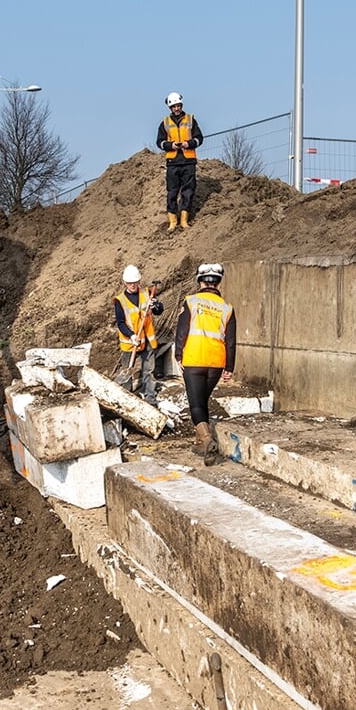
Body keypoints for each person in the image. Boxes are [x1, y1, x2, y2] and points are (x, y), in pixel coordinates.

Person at [175, 262, 235, 464]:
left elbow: (182, 330)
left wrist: (178, 354)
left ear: (200, 282)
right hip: (216, 363)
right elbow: (231, 340)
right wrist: (229, 367)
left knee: (196, 404)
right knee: (203, 400)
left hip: (194, 359)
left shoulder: (191, 301)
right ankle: (200, 443)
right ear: (218, 283)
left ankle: (207, 440)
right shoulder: (227, 308)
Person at [113, 264, 165, 404]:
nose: (132, 285)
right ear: (124, 283)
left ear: (139, 281)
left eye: (135, 282)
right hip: (131, 343)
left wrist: (156, 306)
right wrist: (131, 335)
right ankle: (127, 401)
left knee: (148, 371)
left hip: (146, 340)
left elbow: (159, 311)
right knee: (127, 371)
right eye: (129, 283)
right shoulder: (120, 301)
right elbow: (120, 323)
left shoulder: (146, 294)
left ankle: (151, 399)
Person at [157, 92, 203, 232]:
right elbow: (160, 142)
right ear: (170, 108)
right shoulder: (165, 123)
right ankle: (172, 221)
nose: (177, 108)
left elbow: (199, 138)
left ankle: (184, 220)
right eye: (174, 106)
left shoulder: (190, 120)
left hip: (188, 160)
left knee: (188, 191)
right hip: (172, 162)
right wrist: (171, 146)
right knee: (172, 192)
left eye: (178, 105)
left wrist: (188, 144)